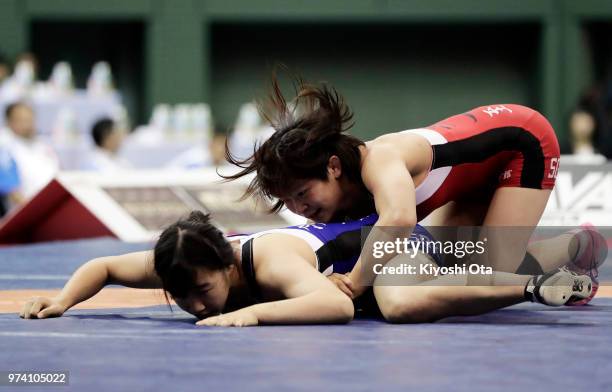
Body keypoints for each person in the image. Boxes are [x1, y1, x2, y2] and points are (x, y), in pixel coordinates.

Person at [222, 73, 605, 306]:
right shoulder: (344, 189)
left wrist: (354, 283)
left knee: (492, 273)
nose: (299, 207)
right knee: (457, 262)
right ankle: (573, 248)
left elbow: (401, 220)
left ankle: (578, 245)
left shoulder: (379, 161)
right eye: (287, 201)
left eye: (303, 194)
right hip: (476, 168)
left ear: (333, 167)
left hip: (523, 142)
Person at [20, 211, 592, 326]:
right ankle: (576, 246)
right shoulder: (184, 259)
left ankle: (536, 289)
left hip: (384, 246)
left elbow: (336, 303)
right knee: (480, 257)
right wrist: (66, 299)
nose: (196, 306)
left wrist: (252, 317)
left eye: (200, 293)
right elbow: (103, 265)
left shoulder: (270, 262)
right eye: (183, 298)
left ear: (224, 263)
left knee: (401, 305)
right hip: (412, 248)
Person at [0, 102, 59, 202]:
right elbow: (13, 192)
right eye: (21, 120)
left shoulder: (42, 145)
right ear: (9, 122)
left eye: (29, 119)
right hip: (26, 211)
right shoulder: (5, 148)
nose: (27, 124)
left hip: (53, 204)